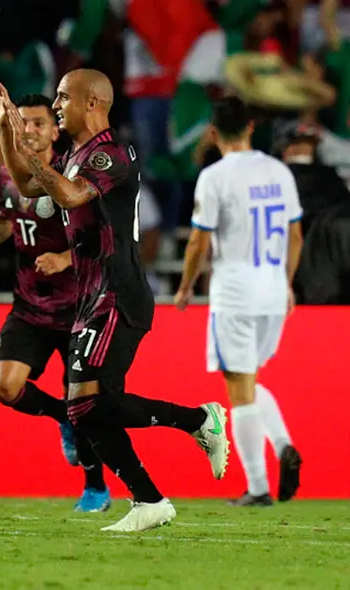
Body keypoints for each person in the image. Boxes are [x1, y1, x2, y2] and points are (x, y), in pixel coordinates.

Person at [0, 71, 229, 532]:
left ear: (93, 102)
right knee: (90, 408)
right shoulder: (76, 155)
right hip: (94, 296)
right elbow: (27, 186)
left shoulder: (110, 154)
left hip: (117, 294)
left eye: (64, 97)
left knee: (83, 406)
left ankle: (199, 420)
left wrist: (27, 152)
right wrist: (6, 130)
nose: (57, 104)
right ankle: (149, 501)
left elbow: (68, 193)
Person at [0, 93, 110, 513]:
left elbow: (102, 236)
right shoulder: (12, 172)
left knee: (85, 401)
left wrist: (64, 257)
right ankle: (61, 417)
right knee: (4, 387)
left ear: (55, 129)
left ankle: (95, 487)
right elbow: (7, 217)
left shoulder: (71, 173)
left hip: (77, 309)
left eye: (40, 123)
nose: (31, 130)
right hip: (29, 308)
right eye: (22, 123)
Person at [175, 97, 304, 506]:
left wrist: (184, 286)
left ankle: (258, 487)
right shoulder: (278, 171)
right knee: (249, 380)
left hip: (234, 293)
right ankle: (283, 446)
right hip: (271, 293)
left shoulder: (215, 177)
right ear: (251, 126)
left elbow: (199, 240)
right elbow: (295, 235)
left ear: (213, 133)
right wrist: (286, 283)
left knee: (239, 391)